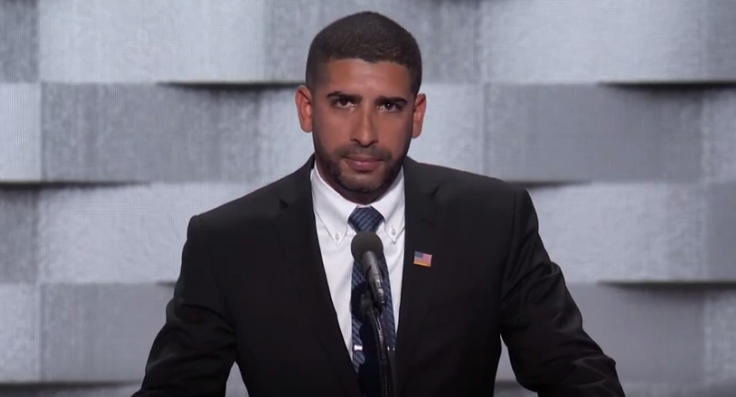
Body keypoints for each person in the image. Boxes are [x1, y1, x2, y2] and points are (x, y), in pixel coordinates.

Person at [132, 11, 625, 397]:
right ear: (307, 108)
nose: (365, 134)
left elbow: (572, 368)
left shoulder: (493, 221)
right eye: (344, 102)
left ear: (417, 115)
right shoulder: (229, 243)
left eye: (389, 106)